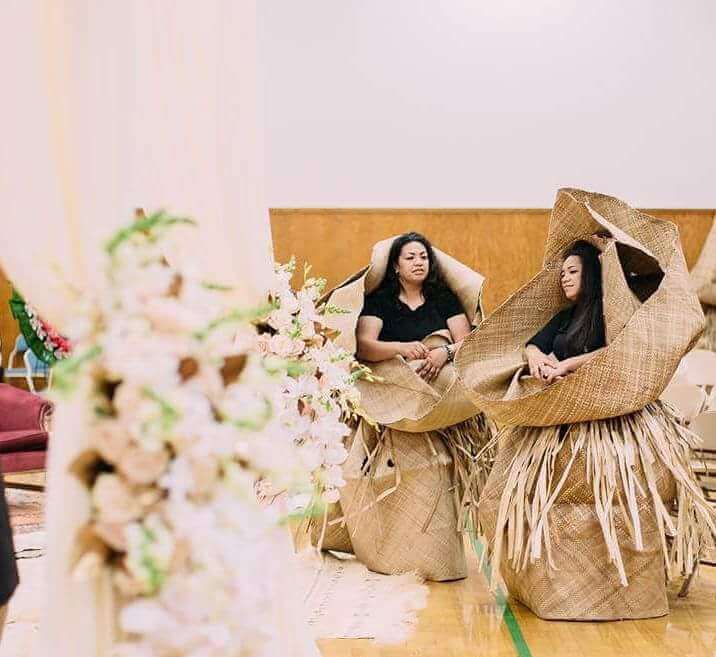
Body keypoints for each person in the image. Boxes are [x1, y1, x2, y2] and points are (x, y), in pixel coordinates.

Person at [357, 231, 472, 381]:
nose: (419, 262)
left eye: (424, 257)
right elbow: (363, 347)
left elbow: (467, 342)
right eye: (410, 257)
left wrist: (445, 352)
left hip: (443, 381)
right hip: (394, 381)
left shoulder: (443, 297)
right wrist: (401, 348)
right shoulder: (379, 300)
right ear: (396, 266)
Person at [525, 240, 606, 383]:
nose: (565, 279)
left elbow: (616, 349)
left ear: (589, 274)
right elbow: (534, 344)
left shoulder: (607, 310)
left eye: (572, 272)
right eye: (562, 274)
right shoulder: (566, 315)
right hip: (564, 390)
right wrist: (534, 356)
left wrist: (566, 365)